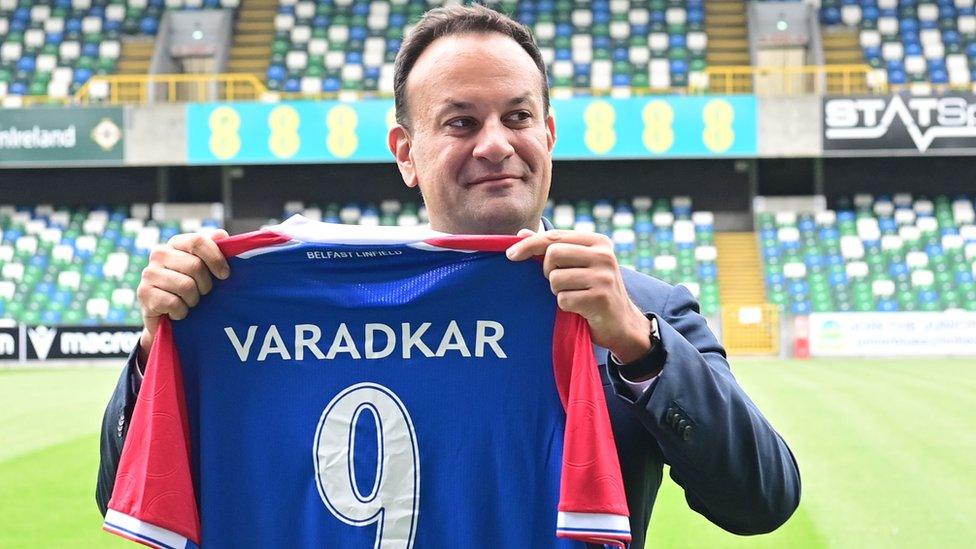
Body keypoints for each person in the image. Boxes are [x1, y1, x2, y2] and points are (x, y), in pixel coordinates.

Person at [96, 5, 800, 546]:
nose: (497, 144)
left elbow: (762, 498)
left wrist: (640, 347)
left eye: (517, 116)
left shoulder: (640, 309)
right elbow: (121, 494)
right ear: (406, 152)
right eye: (461, 122)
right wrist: (160, 350)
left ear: (548, 134)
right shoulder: (266, 296)